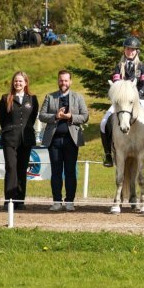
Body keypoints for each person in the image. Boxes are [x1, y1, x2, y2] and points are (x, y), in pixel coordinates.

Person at [100, 36, 144, 167]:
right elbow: (116, 83)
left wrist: (138, 94)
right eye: (128, 49)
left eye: (133, 50)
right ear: (124, 50)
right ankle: (108, 155)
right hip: (122, 102)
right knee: (103, 123)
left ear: (136, 51)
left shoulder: (142, 67)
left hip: (138, 99)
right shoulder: (118, 67)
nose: (130, 52)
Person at [39, 69, 89, 211]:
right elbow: (42, 115)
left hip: (71, 140)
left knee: (70, 171)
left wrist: (71, 117)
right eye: (61, 80)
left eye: (66, 80)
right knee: (55, 171)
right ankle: (56, 201)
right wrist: (55, 116)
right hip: (54, 141)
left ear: (70, 82)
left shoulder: (78, 97)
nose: (63, 83)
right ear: (58, 81)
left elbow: (85, 116)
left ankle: (69, 202)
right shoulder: (50, 97)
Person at [0, 71, 39, 210]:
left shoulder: (32, 99)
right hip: (9, 139)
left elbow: (32, 119)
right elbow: (2, 119)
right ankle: (9, 200)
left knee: (22, 169)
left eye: (21, 81)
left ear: (26, 83)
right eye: (16, 81)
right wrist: (11, 130)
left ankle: (20, 200)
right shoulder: (5, 98)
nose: (18, 83)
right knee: (11, 168)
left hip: (26, 139)